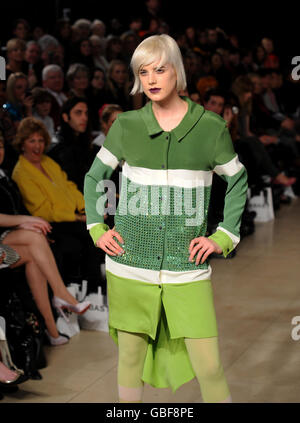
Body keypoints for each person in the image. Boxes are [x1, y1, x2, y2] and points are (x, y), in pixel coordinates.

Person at [84, 34, 248, 403]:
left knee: (209, 366)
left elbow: (238, 179)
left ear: (178, 70)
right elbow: (95, 176)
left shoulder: (210, 128)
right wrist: (97, 227)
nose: (152, 79)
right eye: (144, 72)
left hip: (186, 265)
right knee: (129, 359)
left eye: (160, 69)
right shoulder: (126, 125)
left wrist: (222, 236)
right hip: (130, 264)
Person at [0, 135, 90, 345]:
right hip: (5, 240)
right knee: (37, 236)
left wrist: (23, 222)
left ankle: (52, 331)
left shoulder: (4, 174)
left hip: (10, 237)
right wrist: (25, 220)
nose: (0, 151)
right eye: (32, 141)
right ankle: (61, 295)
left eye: (1, 146)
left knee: (36, 253)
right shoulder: (18, 171)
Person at [12, 117, 104, 295]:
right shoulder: (21, 172)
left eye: (40, 140)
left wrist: (88, 208)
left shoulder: (48, 162)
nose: (37, 146)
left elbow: (69, 186)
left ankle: (94, 293)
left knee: (96, 230)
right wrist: (78, 217)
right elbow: (44, 211)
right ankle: (86, 292)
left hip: (71, 217)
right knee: (84, 239)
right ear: (22, 144)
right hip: (50, 223)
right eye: (32, 141)